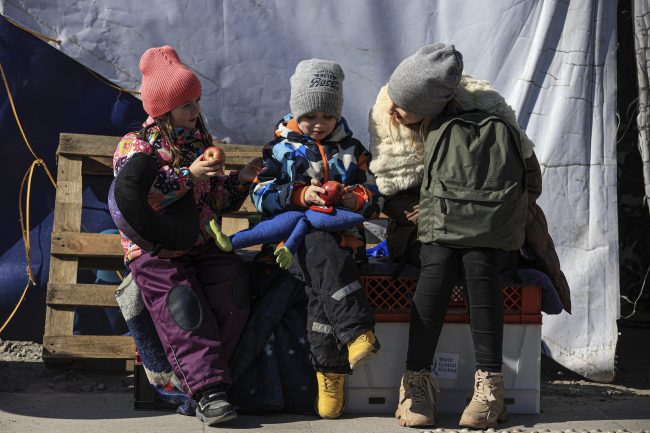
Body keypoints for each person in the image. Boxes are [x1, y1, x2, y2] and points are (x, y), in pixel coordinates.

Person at [368, 44, 571, 429]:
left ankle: (490, 389)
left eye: (404, 105)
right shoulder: (388, 118)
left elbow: (530, 183)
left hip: (491, 233)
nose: (393, 110)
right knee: (441, 257)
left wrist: (491, 216)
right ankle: (415, 383)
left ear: (429, 107)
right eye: (394, 99)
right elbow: (386, 192)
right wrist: (407, 210)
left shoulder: (491, 119)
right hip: (424, 232)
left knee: (479, 259)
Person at [112, 46, 263, 425]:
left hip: (199, 242)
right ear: (163, 109)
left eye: (196, 101)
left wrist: (239, 181)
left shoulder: (195, 142)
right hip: (155, 249)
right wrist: (188, 176)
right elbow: (137, 197)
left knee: (235, 289)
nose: (195, 110)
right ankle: (209, 391)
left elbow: (214, 199)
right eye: (186, 104)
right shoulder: (137, 146)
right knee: (184, 306)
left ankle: (197, 382)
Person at [250, 59, 384, 419]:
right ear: (297, 111)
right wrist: (299, 196)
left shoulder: (353, 150)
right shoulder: (279, 149)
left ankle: (331, 376)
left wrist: (350, 197)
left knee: (321, 300)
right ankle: (358, 332)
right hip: (290, 248)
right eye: (310, 116)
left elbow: (375, 195)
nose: (318, 124)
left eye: (327, 116)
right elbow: (260, 193)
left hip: (345, 250)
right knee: (320, 247)